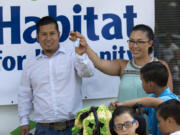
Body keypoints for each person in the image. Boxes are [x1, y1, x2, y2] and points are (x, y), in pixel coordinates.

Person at [18, 16, 94, 135]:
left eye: (52, 33)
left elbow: (88, 73)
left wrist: (80, 55)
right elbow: (24, 95)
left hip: (74, 127)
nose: (48, 38)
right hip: (44, 129)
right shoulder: (30, 65)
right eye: (44, 34)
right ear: (37, 37)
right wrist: (24, 121)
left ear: (58, 35)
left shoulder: (73, 56)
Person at [69, 24, 173, 102]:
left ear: (150, 43)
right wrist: (85, 47)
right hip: (125, 127)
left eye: (140, 42)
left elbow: (168, 100)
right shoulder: (123, 66)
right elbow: (99, 63)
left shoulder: (160, 66)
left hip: (151, 126)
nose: (134, 46)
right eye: (131, 41)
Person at [109, 61, 179, 135]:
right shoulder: (153, 97)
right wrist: (121, 110)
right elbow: (137, 110)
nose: (141, 84)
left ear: (151, 84)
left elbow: (151, 102)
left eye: (142, 81)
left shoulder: (170, 100)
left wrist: (122, 104)